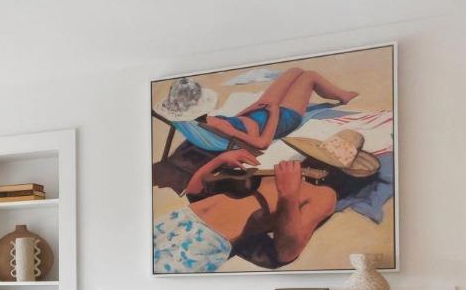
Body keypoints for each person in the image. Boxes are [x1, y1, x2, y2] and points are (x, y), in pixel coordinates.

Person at [152, 128, 378, 274]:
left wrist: (288, 194)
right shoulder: (277, 171)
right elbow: (194, 192)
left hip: (204, 242)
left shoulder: (324, 195)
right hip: (179, 217)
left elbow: (287, 252)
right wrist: (220, 159)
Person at [154, 67, 359, 154]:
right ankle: (342, 96)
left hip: (257, 114)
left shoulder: (201, 123)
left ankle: (337, 94)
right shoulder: (218, 126)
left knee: (295, 72)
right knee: (309, 76)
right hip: (281, 119)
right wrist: (275, 112)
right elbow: (263, 143)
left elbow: (235, 123)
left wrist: (254, 107)